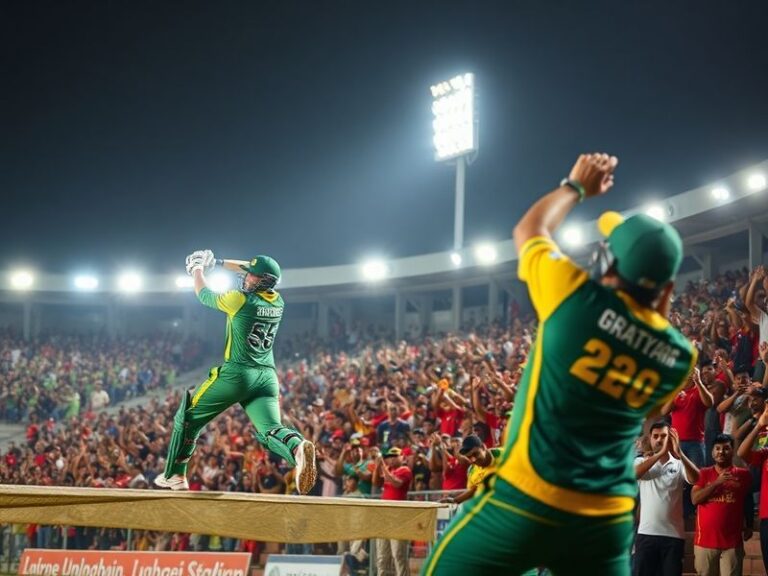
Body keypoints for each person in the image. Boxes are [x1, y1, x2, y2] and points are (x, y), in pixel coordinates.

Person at [422, 153, 698, 576]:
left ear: (608, 262)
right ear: (668, 289)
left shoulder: (575, 297)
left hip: (527, 499)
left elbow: (528, 229)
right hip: (604, 520)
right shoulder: (679, 355)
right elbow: (650, 397)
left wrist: (576, 185)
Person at [154, 252, 317, 494]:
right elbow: (254, 270)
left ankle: (175, 475)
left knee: (187, 417)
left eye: (252, 276)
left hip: (238, 373)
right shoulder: (278, 301)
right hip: (267, 377)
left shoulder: (240, 300)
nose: (246, 277)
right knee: (270, 429)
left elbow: (203, 294)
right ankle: (297, 447)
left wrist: (197, 269)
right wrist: (218, 262)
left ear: (262, 280)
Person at [634, 422, 700, 576]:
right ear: (650, 439)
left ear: (671, 438)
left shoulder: (679, 464)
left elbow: (696, 478)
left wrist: (680, 454)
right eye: (655, 436)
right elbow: (634, 474)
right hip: (646, 534)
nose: (659, 440)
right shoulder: (642, 462)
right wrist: (658, 454)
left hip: (673, 536)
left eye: (663, 436)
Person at [691, 433, 753, 576]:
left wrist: (749, 525)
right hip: (704, 543)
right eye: (717, 448)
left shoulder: (743, 475)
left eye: (726, 448)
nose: (721, 452)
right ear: (712, 452)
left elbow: (748, 500)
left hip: (732, 543)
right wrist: (717, 483)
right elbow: (695, 499)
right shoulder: (703, 473)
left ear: (732, 451)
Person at [373, 446, 412, 576]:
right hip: (384, 515)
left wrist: (382, 465)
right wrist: (378, 466)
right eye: (389, 457)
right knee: (382, 556)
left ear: (403, 457)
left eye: (395, 456)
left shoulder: (405, 470)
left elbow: (397, 483)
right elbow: (375, 483)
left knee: (398, 554)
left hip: (398, 517)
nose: (392, 459)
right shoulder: (388, 469)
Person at [442, 435, 501, 505]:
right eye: (469, 457)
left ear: (483, 447)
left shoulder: (505, 455)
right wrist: (455, 500)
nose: (473, 460)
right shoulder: (472, 471)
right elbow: (474, 490)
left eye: (475, 454)